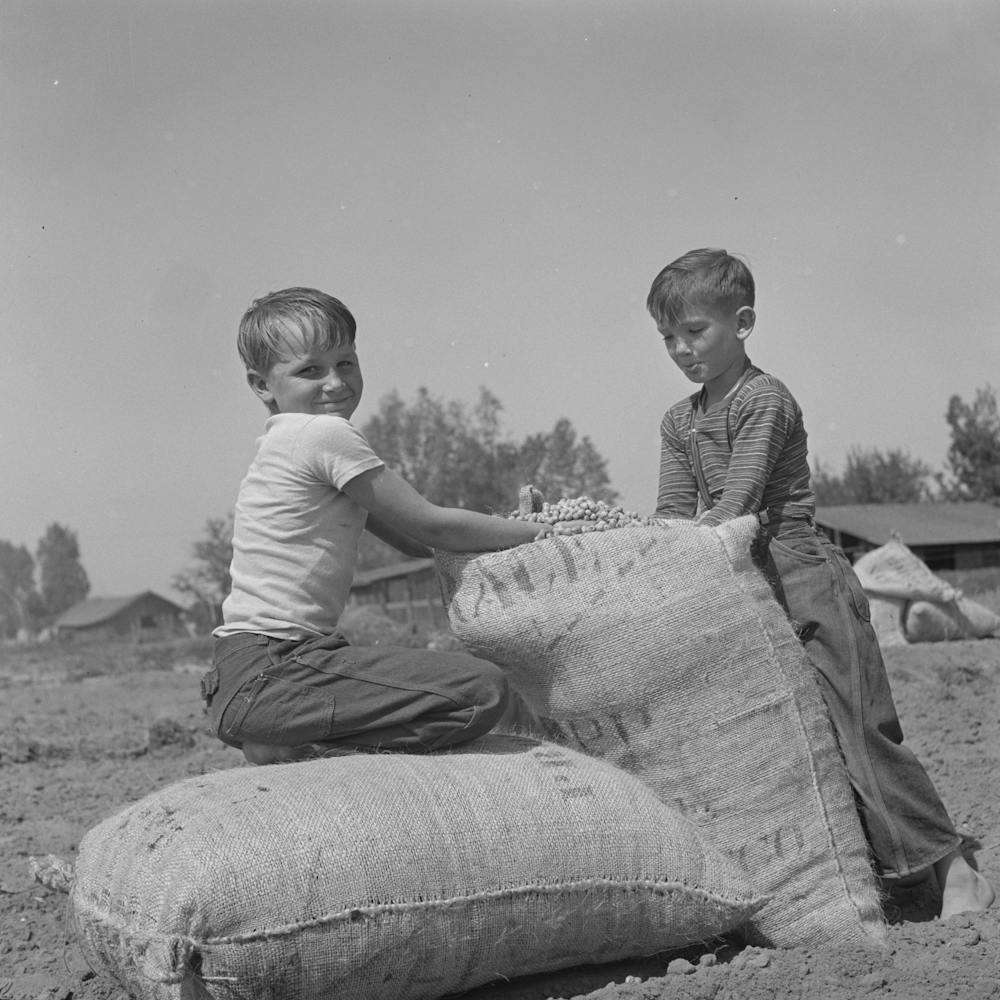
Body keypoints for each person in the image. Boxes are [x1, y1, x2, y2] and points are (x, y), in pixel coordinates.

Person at [645, 247, 994, 920]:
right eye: (668, 338)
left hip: (804, 577)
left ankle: (955, 869)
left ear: (742, 323)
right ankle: (857, 873)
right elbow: (672, 515)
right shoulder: (678, 423)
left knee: (859, 732)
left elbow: (739, 501)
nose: (681, 350)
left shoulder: (764, 400)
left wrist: (683, 542)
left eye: (695, 333)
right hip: (741, 584)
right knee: (787, 743)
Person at [202, 287, 550, 766]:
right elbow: (433, 527)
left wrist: (502, 536)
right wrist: (543, 534)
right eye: (311, 370)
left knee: (466, 691)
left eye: (346, 363)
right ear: (262, 386)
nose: (335, 382)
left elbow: (412, 543)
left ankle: (284, 738)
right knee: (484, 690)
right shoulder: (323, 435)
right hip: (280, 668)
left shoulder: (281, 444)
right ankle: (295, 744)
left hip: (242, 674)